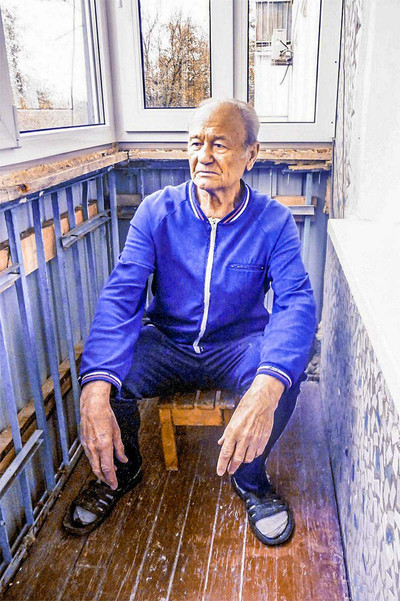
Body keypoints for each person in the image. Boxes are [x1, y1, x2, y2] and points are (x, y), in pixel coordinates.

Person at [63, 98, 316, 546]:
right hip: (169, 344)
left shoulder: (273, 221)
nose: (204, 156)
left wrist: (266, 387)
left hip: (238, 347)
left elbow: (295, 302)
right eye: (196, 143)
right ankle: (122, 471)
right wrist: (95, 388)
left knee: (283, 377)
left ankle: (250, 479)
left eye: (219, 144)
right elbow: (122, 295)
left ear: (251, 154)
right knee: (105, 374)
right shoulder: (156, 211)